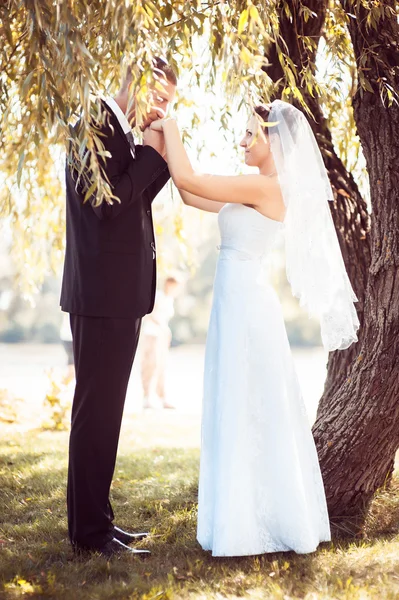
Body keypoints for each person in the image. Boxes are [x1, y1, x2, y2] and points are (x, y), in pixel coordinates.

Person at [150, 100, 359, 556]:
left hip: (246, 301)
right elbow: (189, 195)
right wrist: (162, 145)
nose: (241, 141)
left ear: (274, 141)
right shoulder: (254, 187)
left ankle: (261, 519)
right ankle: (240, 514)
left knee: (253, 400)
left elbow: (189, 179)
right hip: (235, 299)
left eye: (250, 134)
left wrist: (169, 124)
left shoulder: (268, 188)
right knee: (238, 398)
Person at [60, 57, 177, 558]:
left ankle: (98, 523)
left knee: (104, 414)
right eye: (162, 99)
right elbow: (107, 205)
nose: (163, 111)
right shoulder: (93, 122)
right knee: (97, 414)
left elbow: (132, 199)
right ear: (142, 85)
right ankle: (89, 535)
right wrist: (151, 153)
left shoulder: (114, 128)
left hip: (115, 295)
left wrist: (154, 157)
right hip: (103, 296)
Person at [140, 276, 180, 409]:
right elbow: (149, 314)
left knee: (162, 366)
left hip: (162, 336)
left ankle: (162, 397)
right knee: (151, 365)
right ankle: (147, 397)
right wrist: (161, 326)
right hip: (152, 335)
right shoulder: (159, 296)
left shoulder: (170, 299)